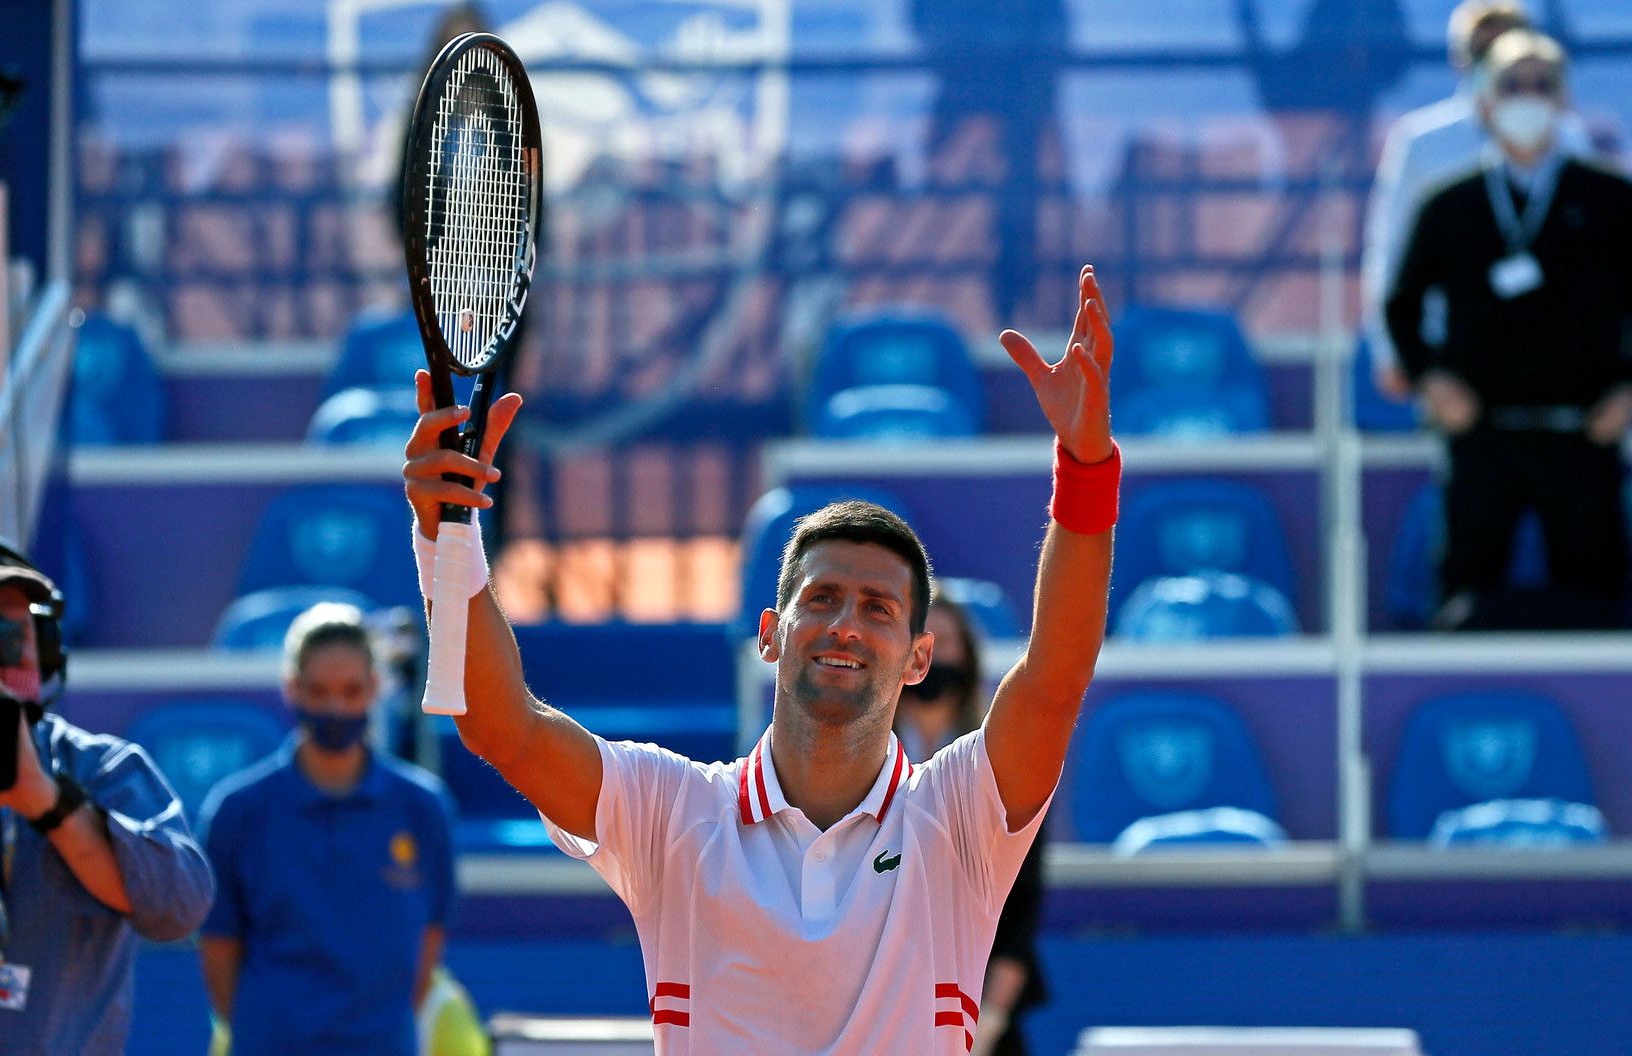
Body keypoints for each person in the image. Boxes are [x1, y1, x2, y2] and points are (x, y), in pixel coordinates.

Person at [402, 264, 1118, 1052]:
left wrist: (1085, 471)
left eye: (877, 609)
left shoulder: (955, 818)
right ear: (771, 632)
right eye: (822, 599)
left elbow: (1054, 679)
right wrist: (447, 540)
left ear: (918, 658)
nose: (845, 623)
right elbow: (501, 728)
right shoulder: (672, 811)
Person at [1385, 30, 1632, 630]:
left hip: (1585, 433)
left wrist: (1629, 392)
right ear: (1484, 102)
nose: (1528, 98)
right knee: (1466, 595)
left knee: (1597, 600)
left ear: (1565, 99)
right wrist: (1432, 379)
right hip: (1481, 435)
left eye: (1542, 84)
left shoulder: (1611, 200)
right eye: (1512, 84)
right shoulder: (1451, 203)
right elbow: (1402, 303)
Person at [0, 532, 213, 1053]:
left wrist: (47, 801)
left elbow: (178, 907)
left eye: (15, 632)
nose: (2, 658)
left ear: (48, 647)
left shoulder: (102, 768)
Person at [198, 603, 457, 1056]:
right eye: (318, 692)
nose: (335, 707)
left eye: (351, 691)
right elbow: (218, 947)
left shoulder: (423, 809)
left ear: (375, 689)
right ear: (291, 689)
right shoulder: (237, 812)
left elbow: (428, 939)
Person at [1362, 1, 1591, 400]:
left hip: (1555, 353)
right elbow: (1390, 248)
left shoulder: (1568, 139)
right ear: (1460, 58)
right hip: (1454, 350)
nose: (1498, 62)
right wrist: (1394, 352)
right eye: (1483, 51)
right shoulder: (1423, 142)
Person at [894, 590, 1045, 1056]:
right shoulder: (853, 757)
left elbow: (1020, 902)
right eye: (924, 641)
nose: (936, 655)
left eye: (950, 642)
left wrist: (988, 1021)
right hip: (882, 1001)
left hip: (981, 1004)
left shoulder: (1003, 758)